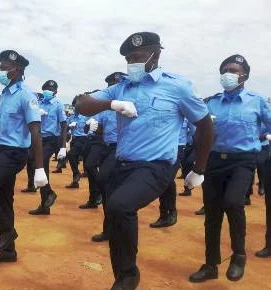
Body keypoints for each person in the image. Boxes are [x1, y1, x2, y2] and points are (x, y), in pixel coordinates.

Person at [76, 32, 213, 290]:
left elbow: (205, 126)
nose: (132, 63)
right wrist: (112, 104)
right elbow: (82, 103)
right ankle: (122, 276)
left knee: (119, 206)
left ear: (155, 54)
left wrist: (199, 168)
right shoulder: (122, 86)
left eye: (136, 57)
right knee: (115, 216)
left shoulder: (178, 87)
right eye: (128, 59)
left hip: (156, 166)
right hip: (123, 164)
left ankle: (129, 275)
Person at [189, 54, 271, 283]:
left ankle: (239, 255)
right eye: (225, 70)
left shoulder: (257, 101)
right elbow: (200, 133)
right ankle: (210, 264)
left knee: (234, 202)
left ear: (244, 75)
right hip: (214, 161)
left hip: (242, 161)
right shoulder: (211, 102)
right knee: (212, 214)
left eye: (234, 70)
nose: (229, 74)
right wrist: (198, 166)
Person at [0, 50, 47, 263]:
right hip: (0, 150)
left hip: (14, 154)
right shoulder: (5, 94)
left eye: (5, 68)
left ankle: (6, 231)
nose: (1, 71)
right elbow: (9, 122)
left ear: (19, 70)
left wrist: (40, 168)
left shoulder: (26, 95)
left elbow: (35, 130)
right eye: (1, 67)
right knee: (5, 199)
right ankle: (8, 251)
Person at [90, 72, 124, 241]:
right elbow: (99, 130)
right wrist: (92, 127)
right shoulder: (105, 109)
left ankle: (116, 229)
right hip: (107, 148)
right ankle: (109, 229)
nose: (113, 88)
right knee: (108, 189)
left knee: (104, 179)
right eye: (110, 85)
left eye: (116, 84)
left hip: (123, 150)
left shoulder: (130, 105)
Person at [28, 80, 67, 215]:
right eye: (45, 89)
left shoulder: (58, 105)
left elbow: (64, 125)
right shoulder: (39, 103)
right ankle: (45, 204)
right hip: (38, 139)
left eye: (51, 89)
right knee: (34, 164)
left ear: (55, 91)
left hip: (51, 140)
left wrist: (63, 146)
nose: (47, 91)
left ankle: (49, 194)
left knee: (42, 164)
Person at [65, 96, 89, 189]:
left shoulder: (86, 117)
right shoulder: (71, 117)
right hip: (74, 140)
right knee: (72, 157)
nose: (75, 108)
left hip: (83, 140)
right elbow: (65, 128)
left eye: (77, 106)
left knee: (71, 155)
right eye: (74, 106)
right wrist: (69, 127)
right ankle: (75, 181)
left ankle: (76, 174)